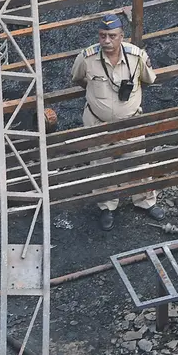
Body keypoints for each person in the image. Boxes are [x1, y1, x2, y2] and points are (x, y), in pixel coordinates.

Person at [70, 14, 164, 231]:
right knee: (101, 164)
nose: (106, 41)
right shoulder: (87, 58)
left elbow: (149, 79)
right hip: (98, 122)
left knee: (138, 160)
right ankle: (107, 206)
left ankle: (145, 200)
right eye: (102, 36)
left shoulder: (137, 57)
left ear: (122, 36)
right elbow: (78, 79)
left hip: (130, 123)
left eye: (112, 36)